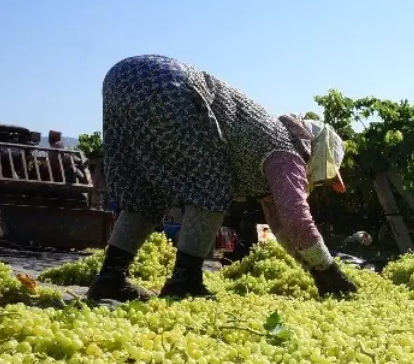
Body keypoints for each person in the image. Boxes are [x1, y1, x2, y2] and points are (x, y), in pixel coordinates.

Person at [87, 54, 357, 302]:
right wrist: (328, 268)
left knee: (147, 190)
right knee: (211, 186)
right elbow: (296, 216)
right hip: (169, 86)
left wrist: (314, 268)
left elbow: (283, 226)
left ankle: (111, 278)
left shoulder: (270, 146)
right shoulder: (288, 152)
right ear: (319, 155)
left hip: (122, 79)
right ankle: (186, 280)